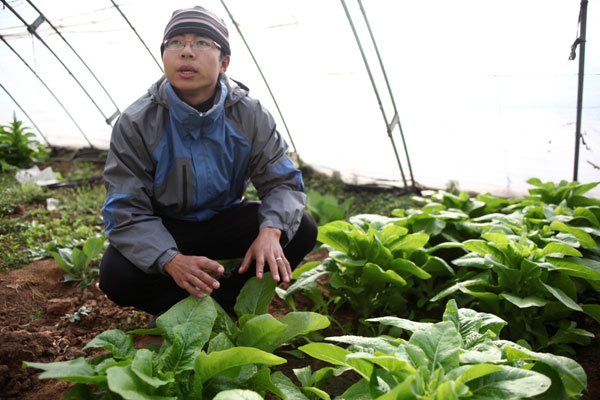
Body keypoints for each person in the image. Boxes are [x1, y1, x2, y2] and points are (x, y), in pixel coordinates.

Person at [99, 6, 317, 316]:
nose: (186, 52)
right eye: (175, 43)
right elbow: (125, 209)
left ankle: (226, 302)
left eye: (201, 43)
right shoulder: (137, 122)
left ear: (224, 62)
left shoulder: (249, 114)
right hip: (166, 226)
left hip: (224, 218)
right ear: (164, 57)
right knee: (117, 275)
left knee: (300, 230)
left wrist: (270, 231)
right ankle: (181, 308)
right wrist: (169, 259)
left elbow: (282, 182)